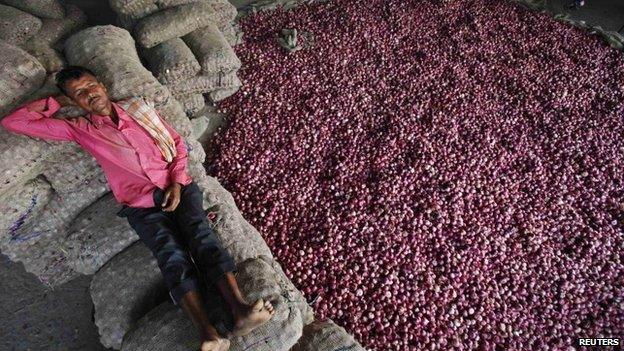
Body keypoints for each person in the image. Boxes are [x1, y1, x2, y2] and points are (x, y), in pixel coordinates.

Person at [1, 66, 274, 351]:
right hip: (142, 207)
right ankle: (207, 332)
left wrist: (177, 184)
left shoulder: (138, 110)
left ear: (103, 86)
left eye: (91, 86)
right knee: (171, 256)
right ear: (74, 102)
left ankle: (239, 309)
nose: (89, 95)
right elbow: (15, 122)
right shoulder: (80, 129)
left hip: (178, 185)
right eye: (79, 94)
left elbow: (178, 145)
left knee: (201, 237)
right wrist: (58, 102)